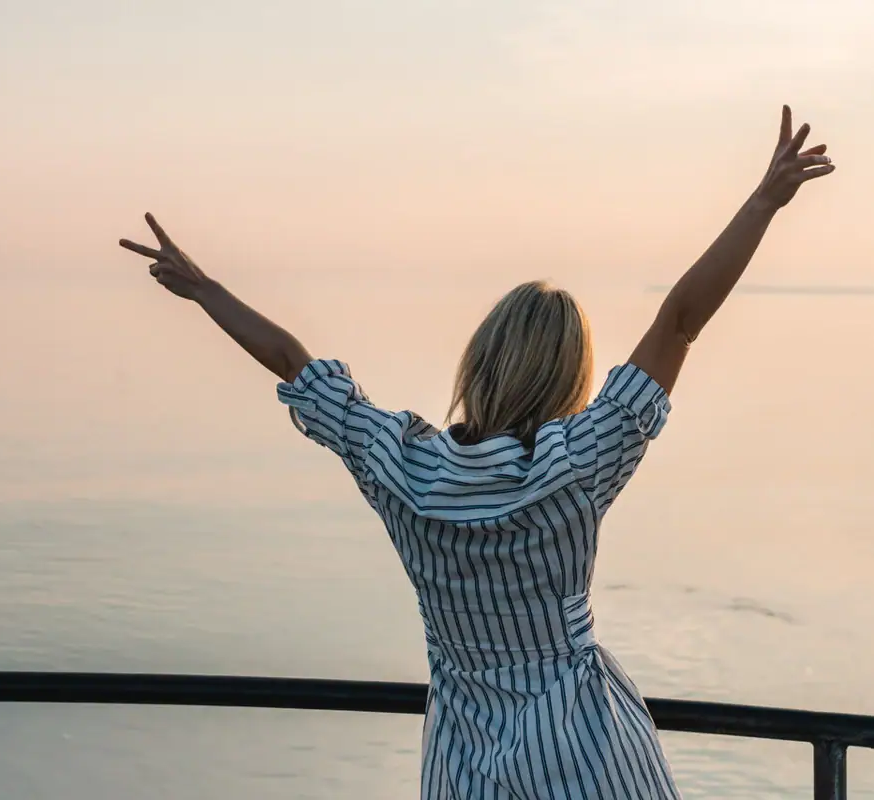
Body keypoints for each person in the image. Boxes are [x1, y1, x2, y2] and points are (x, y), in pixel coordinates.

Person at [120, 105, 835, 799]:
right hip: (586, 755)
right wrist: (763, 204)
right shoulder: (577, 465)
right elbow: (679, 323)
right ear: (565, 377)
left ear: (481, 360)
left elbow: (289, 360)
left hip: (465, 759)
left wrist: (204, 289)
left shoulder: (397, 464)